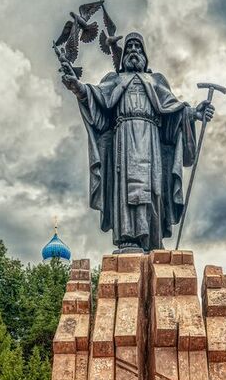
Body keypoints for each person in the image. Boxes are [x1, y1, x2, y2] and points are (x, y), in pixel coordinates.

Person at [61, 32, 214, 252]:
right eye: (129, 47)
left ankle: (152, 237)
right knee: (126, 187)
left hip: (151, 140)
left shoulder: (156, 81)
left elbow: (173, 111)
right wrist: (78, 87)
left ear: (145, 55)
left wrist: (193, 114)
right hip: (123, 139)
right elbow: (97, 100)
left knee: (153, 187)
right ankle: (128, 239)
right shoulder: (113, 80)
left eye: (138, 47)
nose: (133, 50)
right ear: (123, 56)